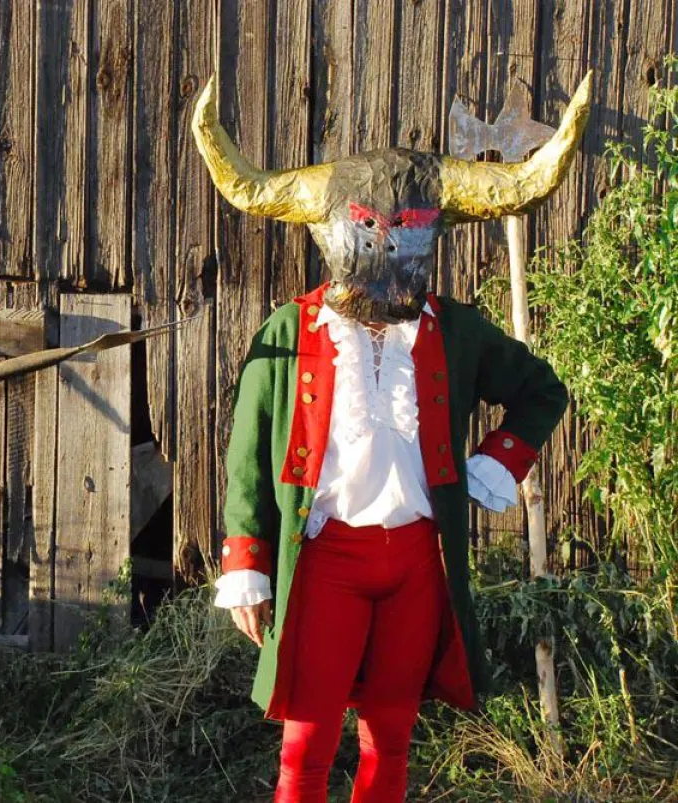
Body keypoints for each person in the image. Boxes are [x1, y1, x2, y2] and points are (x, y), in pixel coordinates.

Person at [190, 71, 589, 802]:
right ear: (336, 231)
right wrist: (246, 561)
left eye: (405, 231)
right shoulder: (289, 332)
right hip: (325, 560)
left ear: (429, 233)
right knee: (305, 746)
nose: (387, 247)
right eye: (371, 227)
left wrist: (496, 464)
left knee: (390, 740)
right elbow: (246, 455)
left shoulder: (455, 330)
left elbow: (542, 391)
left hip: (416, 563)